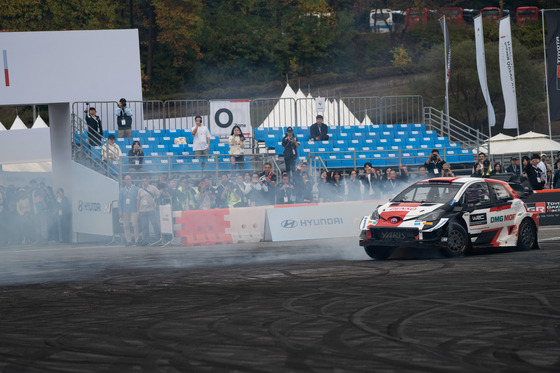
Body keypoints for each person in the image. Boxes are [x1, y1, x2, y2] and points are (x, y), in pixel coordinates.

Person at [137, 177, 160, 245]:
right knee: (144, 226)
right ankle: (145, 240)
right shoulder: (140, 190)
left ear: (148, 181)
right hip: (143, 210)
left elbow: (159, 193)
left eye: (145, 181)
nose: (144, 182)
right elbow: (138, 200)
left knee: (154, 223)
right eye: (143, 181)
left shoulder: (153, 188)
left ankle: (159, 238)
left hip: (151, 209)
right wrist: (138, 210)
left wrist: (156, 198)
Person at [119, 175, 140, 246]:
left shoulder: (136, 189)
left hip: (133, 209)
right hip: (125, 211)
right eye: (126, 180)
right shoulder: (122, 190)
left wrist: (138, 210)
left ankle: (137, 240)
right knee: (126, 226)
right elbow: (120, 201)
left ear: (131, 180)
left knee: (135, 224)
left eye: (128, 179)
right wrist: (120, 211)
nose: (127, 181)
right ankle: (129, 241)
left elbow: (139, 199)